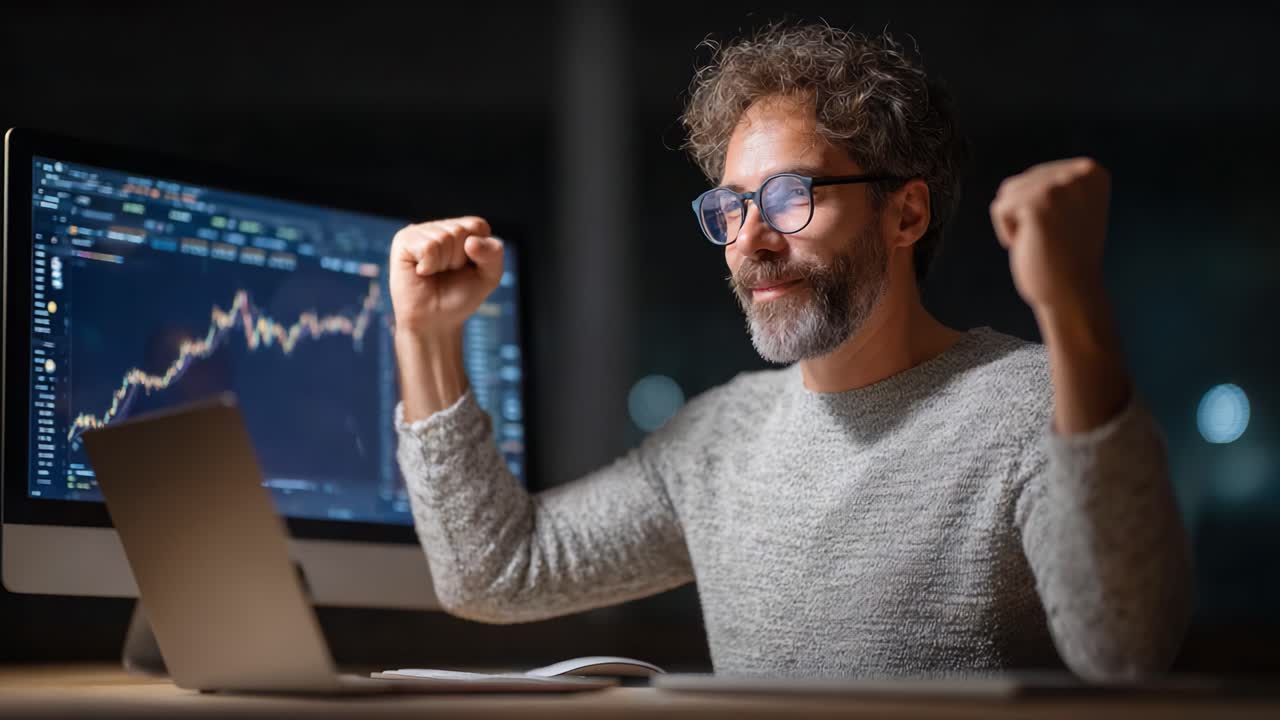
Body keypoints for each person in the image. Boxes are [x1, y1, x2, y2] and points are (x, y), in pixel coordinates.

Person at [387, 23, 1192, 681]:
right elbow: (496, 571)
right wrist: (425, 339)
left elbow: (1124, 647)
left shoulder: (1033, 406)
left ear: (905, 214)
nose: (753, 241)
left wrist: (1072, 303)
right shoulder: (717, 441)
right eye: (733, 207)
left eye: (789, 197)